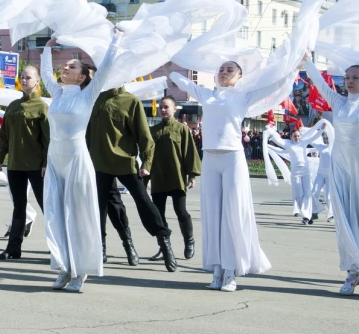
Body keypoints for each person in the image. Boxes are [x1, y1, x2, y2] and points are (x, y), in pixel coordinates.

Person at [163, 61, 272, 292]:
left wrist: (294, 66)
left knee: (232, 214)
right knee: (212, 215)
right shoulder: (207, 95)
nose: (223, 73)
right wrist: (168, 66)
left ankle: (231, 272)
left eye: (229, 70)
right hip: (210, 159)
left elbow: (274, 84)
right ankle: (217, 270)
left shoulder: (243, 96)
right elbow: (182, 81)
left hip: (233, 158)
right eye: (221, 69)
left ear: (240, 76)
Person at [40, 32, 122, 293]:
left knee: (78, 215)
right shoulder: (57, 93)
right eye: (65, 65)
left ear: (83, 77)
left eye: (72, 66)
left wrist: (115, 41)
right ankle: (64, 266)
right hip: (55, 159)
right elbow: (45, 74)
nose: (65, 67)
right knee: (55, 214)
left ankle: (81, 270)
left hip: (76, 160)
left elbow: (106, 68)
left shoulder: (87, 95)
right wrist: (47, 49)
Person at [87, 84, 177, 272]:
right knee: (100, 209)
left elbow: (145, 136)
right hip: (99, 164)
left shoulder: (131, 101)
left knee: (144, 202)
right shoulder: (95, 98)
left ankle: (164, 241)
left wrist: (146, 164)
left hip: (125, 162)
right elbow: (87, 134)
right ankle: (102, 248)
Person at [304, 54, 359, 295]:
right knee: (345, 218)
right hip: (341, 166)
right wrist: (307, 62)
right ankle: (352, 270)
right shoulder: (338, 102)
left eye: (356, 77)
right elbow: (319, 82)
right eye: (347, 77)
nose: (350, 81)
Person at [85, 64, 138, 266]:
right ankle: (101, 248)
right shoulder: (89, 97)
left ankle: (128, 245)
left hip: (112, 161)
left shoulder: (107, 97)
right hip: (92, 160)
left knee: (115, 205)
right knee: (97, 208)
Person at [0, 65, 49, 259]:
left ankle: (58, 246)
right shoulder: (13, 106)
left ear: (37, 81)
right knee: (19, 207)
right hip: (16, 165)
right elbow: (4, 136)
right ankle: (13, 249)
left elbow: (47, 139)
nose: (24, 80)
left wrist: (46, 163)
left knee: (47, 206)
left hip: (37, 167)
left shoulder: (42, 106)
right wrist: (1, 158)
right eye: (22, 77)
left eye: (28, 77)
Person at [146, 96, 201, 262]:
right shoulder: (153, 131)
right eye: (161, 107)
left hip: (177, 178)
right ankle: (164, 247)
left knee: (181, 212)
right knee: (159, 215)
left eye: (166, 107)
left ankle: (189, 242)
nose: (163, 110)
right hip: (159, 179)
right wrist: (145, 180)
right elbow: (147, 156)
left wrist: (192, 176)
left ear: (175, 109)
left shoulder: (182, 130)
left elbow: (190, 153)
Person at [265, 123, 327, 224]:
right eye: (294, 136)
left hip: (305, 171)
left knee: (307, 193)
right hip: (295, 172)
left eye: (298, 136)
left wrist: (321, 130)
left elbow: (314, 137)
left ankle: (306, 216)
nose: (297, 138)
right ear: (291, 137)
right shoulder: (288, 144)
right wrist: (270, 132)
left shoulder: (304, 142)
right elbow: (278, 140)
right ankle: (307, 214)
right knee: (299, 195)